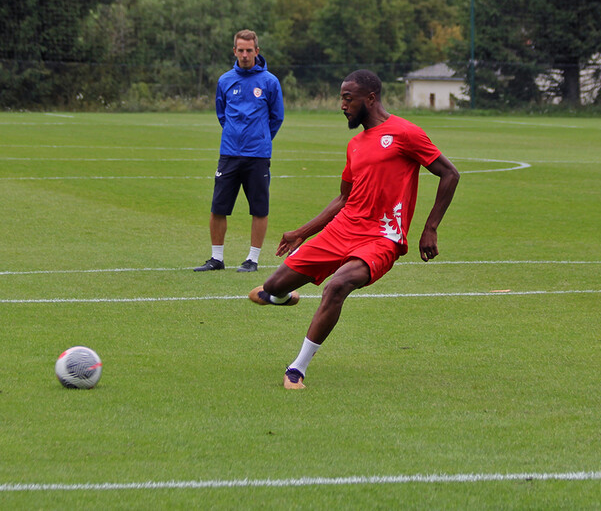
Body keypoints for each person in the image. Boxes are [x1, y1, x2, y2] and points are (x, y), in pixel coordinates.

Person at [248, 69, 460, 389]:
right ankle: (280, 296)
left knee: (338, 285)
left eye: (348, 98)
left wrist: (430, 228)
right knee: (273, 286)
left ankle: (297, 368)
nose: (343, 105)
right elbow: (344, 198)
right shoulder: (355, 145)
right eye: (342, 98)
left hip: (383, 236)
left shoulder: (405, 133)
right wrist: (303, 232)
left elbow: (450, 174)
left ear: (370, 99)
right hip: (343, 230)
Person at [195, 29, 284, 273]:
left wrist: (261, 138)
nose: (245, 55)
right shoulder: (225, 80)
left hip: (258, 155)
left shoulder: (269, 82)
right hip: (230, 153)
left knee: (259, 208)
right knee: (218, 207)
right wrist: (235, 134)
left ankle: (252, 259)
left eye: (249, 50)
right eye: (241, 50)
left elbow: (277, 118)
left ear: (257, 51)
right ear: (234, 51)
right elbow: (222, 113)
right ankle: (216, 258)